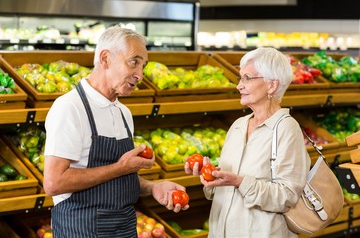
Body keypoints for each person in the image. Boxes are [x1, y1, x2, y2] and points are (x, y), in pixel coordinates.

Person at [43, 26, 188, 238]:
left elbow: (117, 180)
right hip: (82, 230)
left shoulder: (123, 113)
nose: (140, 74)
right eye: (134, 62)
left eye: (143, 66)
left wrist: (153, 187)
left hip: (124, 228)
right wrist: (121, 167)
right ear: (105, 59)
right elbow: (54, 183)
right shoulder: (70, 107)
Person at [185, 47, 310, 237]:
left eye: (248, 78)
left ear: (272, 85)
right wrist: (211, 177)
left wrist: (239, 182)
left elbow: (287, 196)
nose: (239, 86)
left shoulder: (286, 128)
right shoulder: (238, 126)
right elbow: (226, 187)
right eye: (240, 78)